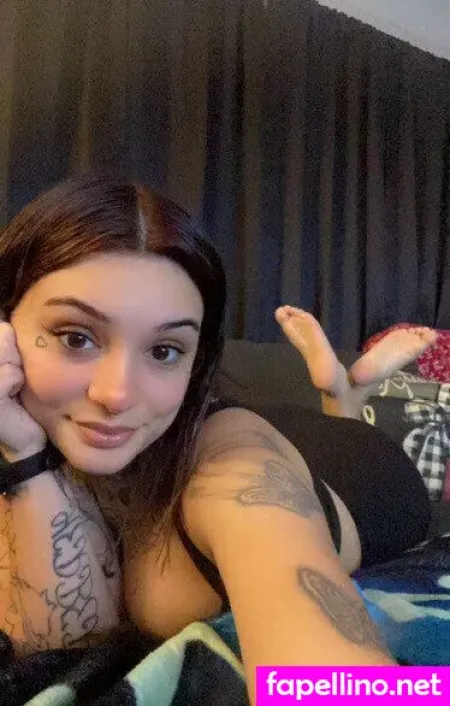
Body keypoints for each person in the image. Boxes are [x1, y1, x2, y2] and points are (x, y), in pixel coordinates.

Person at [0, 174, 433, 703]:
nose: (116, 394)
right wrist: (23, 451)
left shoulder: (233, 479)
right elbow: (60, 642)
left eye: (164, 350)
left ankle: (346, 401)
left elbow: (337, 679)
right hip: (273, 428)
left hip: (363, 469)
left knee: (310, 438)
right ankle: (343, 393)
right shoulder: (27, 425)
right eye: (76, 338)